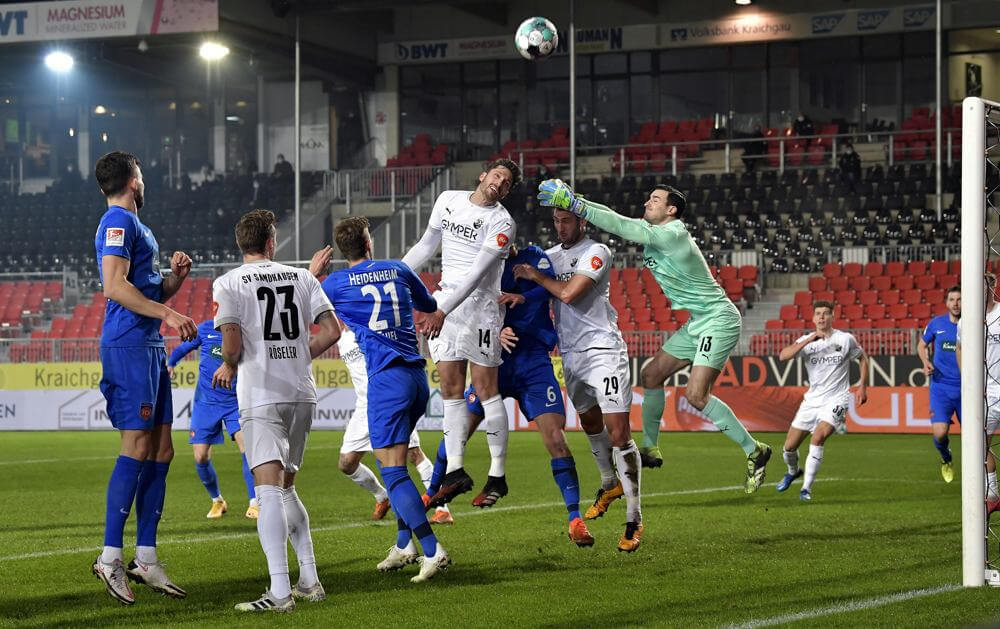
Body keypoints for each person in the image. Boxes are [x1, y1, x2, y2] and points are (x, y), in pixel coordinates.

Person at [534, 180, 772, 492]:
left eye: (655, 200)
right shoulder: (657, 233)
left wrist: (578, 206)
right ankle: (650, 446)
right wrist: (580, 201)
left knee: (696, 396)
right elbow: (617, 217)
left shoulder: (674, 233)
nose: (648, 202)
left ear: (671, 210)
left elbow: (619, 224)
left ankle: (755, 450)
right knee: (651, 374)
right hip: (699, 320)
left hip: (718, 318)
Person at [213, 209, 341, 612]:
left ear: (241, 244)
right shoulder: (303, 276)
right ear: (272, 242)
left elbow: (231, 345)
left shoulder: (229, 281)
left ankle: (281, 593)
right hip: (301, 393)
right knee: (287, 489)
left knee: (267, 492)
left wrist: (229, 363)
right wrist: (302, 356)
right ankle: (310, 580)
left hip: (262, 393)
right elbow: (333, 330)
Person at [432, 244, 594, 545]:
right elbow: (472, 306)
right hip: (495, 361)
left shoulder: (535, 257)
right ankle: (433, 498)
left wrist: (523, 294)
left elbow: (548, 291)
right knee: (458, 431)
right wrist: (498, 329)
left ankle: (575, 519)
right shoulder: (481, 265)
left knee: (556, 439)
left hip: (533, 361)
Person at [90, 150, 197, 606]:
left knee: (162, 449)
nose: (145, 178)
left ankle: (146, 557)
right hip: (129, 345)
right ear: (133, 179)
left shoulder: (139, 228)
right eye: (143, 172)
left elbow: (144, 286)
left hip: (149, 345)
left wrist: (174, 280)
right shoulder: (116, 223)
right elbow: (114, 286)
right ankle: (110, 557)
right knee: (136, 445)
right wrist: (170, 312)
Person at [322, 216, 450, 582]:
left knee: (392, 471)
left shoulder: (336, 282)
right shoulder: (398, 268)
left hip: (386, 381)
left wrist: (316, 276)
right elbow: (427, 303)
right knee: (397, 465)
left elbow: (304, 307)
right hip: (416, 377)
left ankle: (432, 549)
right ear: (368, 243)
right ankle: (404, 544)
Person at [514, 216, 641, 551]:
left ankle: (634, 518)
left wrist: (537, 277)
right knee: (588, 420)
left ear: (581, 221)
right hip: (570, 354)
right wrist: (520, 299)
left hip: (603, 351)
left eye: (566, 220)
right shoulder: (551, 256)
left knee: (619, 433)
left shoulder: (596, 251)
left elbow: (569, 294)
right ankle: (608, 482)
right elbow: (540, 298)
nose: (560, 227)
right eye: (555, 221)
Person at [401, 159, 519, 509]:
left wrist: (440, 310)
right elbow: (425, 245)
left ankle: (497, 475)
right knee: (451, 391)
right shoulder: (448, 199)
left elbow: (477, 274)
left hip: (480, 309)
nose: (500, 182)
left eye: (507, 182)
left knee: (485, 390)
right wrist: (397, 276)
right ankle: (455, 470)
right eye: (497, 175)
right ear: (484, 175)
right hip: (445, 303)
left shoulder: (502, 222)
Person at [334, 320, 453, 524]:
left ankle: (442, 508)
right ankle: (382, 497)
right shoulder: (340, 337)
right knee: (346, 463)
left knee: (413, 454)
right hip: (364, 407)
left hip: (387, 400)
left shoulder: (367, 327)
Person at [774, 301, 869, 501]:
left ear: (833, 316)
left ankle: (806, 489)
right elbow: (783, 356)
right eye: (818, 314)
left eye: (826, 314)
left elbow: (862, 358)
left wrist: (862, 386)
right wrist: (809, 339)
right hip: (811, 401)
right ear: (813, 318)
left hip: (837, 399)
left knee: (818, 438)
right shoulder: (807, 341)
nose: (822, 317)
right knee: (789, 447)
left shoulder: (845, 339)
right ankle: (793, 472)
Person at [166, 319, 258, 520]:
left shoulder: (245, 329)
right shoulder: (205, 328)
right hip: (206, 403)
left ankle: (255, 501)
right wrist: (171, 363)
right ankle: (217, 500)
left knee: (248, 450)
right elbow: (184, 347)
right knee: (200, 457)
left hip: (236, 401)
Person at [956, 273, 1000, 516]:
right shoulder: (967, 321)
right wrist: (968, 381)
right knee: (978, 444)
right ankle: (992, 493)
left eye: (984, 285)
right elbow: (960, 347)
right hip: (984, 393)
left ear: (992, 286)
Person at [917, 286, 961, 483]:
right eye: (952, 299)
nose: (956, 303)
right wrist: (925, 361)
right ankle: (946, 458)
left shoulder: (974, 324)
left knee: (974, 436)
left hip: (967, 388)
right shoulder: (936, 323)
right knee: (940, 432)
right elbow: (921, 344)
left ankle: (979, 476)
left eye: (959, 299)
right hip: (941, 387)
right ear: (947, 303)